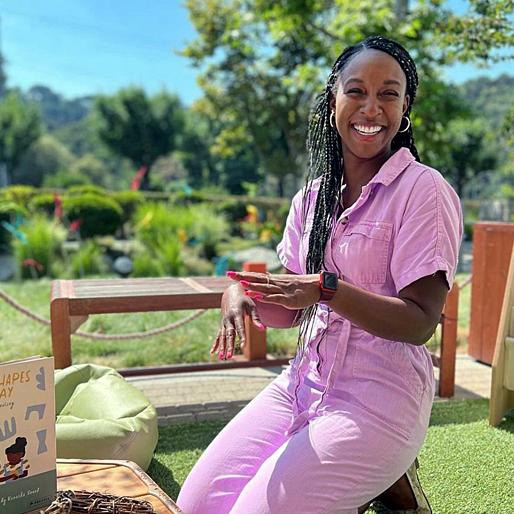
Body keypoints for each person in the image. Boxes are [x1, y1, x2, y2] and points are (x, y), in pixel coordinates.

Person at [177, 35, 463, 514]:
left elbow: (418, 322)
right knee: (198, 505)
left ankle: (381, 476)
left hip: (378, 402)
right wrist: (242, 292)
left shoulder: (423, 190)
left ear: (404, 106)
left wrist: (327, 289)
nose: (371, 108)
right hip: (302, 384)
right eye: (356, 91)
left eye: (388, 93)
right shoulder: (311, 198)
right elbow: (290, 312)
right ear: (333, 99)